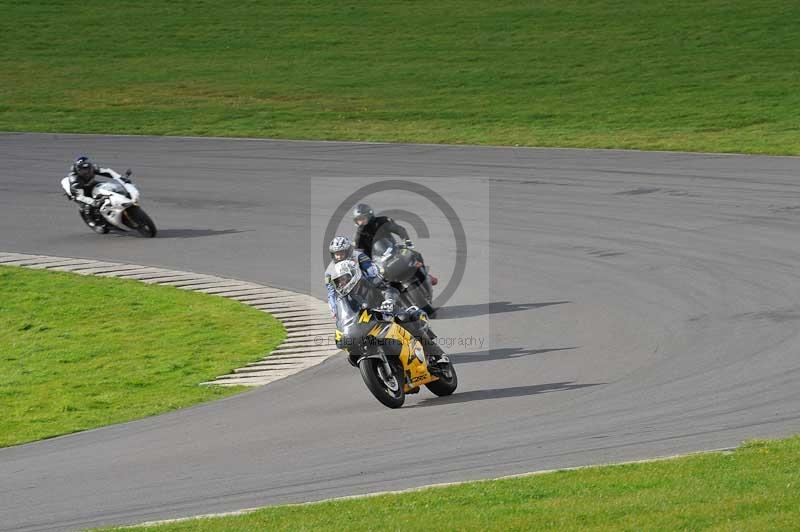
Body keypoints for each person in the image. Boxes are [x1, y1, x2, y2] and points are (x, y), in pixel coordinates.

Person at [329, 260, 446, 363]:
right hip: (367, 323)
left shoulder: (369, 281)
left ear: (353, 274)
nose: (341, 283)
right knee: (352, 351)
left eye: (344, 279)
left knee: (404, 318)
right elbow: (342, 317)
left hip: (386, 311)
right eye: (338, 281)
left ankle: (436, 354)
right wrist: (340, 330)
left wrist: (389, 300)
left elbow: (388, 289)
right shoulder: (343, 298)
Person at [352, 203, 438, 286]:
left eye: (363, 218)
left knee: (415, 255)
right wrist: (357, 264)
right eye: (358, 220)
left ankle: (426, 276)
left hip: (394, 250)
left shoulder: (381, 221)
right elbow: (358, 252)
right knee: (377, 283)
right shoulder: (359, 235)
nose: (361, 222)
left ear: (369, 216)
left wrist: (406, 240)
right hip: (378, 261)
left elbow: (398, 229)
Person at [324, 236, 381, 318]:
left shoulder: (359, 256)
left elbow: (372, 271)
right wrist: (334, 309)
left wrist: (374, 280)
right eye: (337, 254)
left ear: (347, 252)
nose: (339, 257)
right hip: (346, 295)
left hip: (364, 287)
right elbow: (331, 292)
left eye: (341, 253)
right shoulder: (329, 271)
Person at [63, 155, 126, 228]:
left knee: (109, 187)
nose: (86, 171)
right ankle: (91, 221)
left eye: (87, 169)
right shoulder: (75, 180)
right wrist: (94, 202)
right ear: (77, 170)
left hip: (91, 183)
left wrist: (120, 178)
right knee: (88, 205)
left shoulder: (92, 168)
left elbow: (108, 172)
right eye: (83, 170)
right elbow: (79, 196)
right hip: (80, 191)